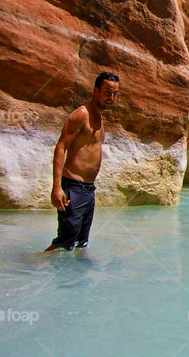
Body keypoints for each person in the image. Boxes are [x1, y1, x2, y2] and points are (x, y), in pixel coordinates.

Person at [44, 72, 119, 251]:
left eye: (115, 94)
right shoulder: (81, 114)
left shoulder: (99, 118)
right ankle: (31, 264)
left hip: (88, 190)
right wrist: (57, 188)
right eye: (108, 92)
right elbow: (61, 147)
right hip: (73, 188)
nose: (111, 97)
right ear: (95, 91)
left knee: (80, 245)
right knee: (63, 245)